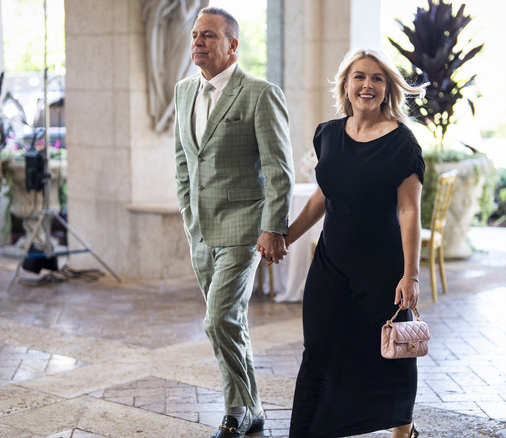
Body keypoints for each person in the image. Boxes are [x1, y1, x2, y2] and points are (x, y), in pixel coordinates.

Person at [285, 47, 426, 438]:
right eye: (359, 77)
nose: (367, 85)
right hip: (331, 265)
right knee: (318, 351)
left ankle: (403, 431)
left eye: (377, 78)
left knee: (390, 353)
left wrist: (410, 275)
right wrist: (287, 237)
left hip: (382, 270)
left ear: (388, 89)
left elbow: (409, 212)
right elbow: (323, 196)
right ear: (346, 84)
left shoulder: (403, 143)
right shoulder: (327, 134)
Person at [173, 6, 294, 438]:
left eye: (207, 35)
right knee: (232, 322)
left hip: (244, 229)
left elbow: (280, 169)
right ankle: (245, 410)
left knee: (217, 319)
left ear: (232, 44)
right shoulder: (183, 91)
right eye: (194, 35)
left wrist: (273, 227)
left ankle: (241, 406)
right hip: (200, 231)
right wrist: (189, 215)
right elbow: (183, 163)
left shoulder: (260, 93)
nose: (197, 42)